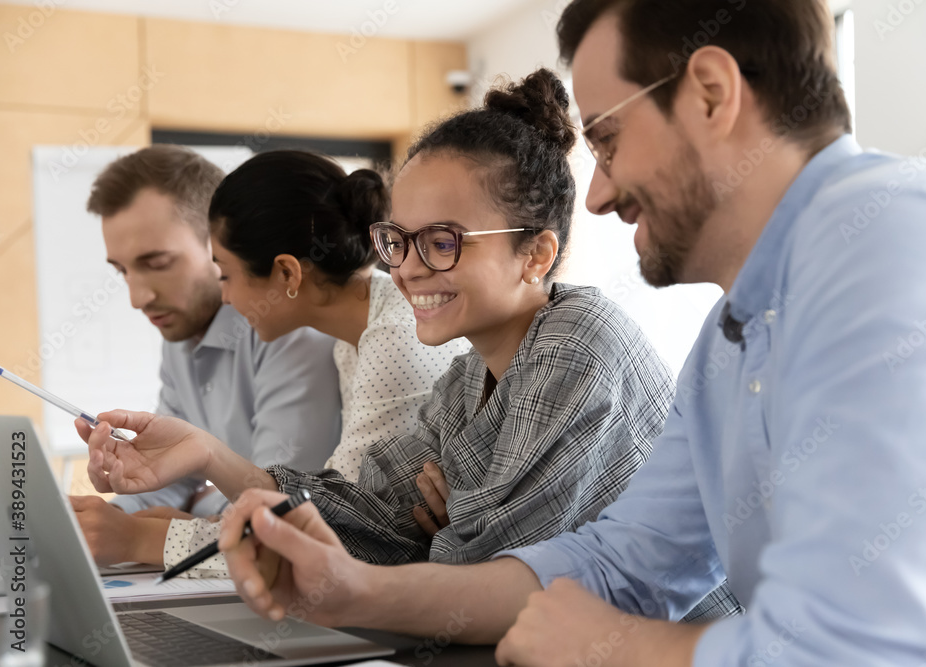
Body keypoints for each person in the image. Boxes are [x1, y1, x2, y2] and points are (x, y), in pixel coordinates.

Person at [208, 1, 926, 665]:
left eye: (609, 140)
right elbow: (622, 561)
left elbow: (867, 647)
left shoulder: (893, 236)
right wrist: (355, 588)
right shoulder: (730, 340)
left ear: (713, 94)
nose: (597, 194)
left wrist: (622, 645)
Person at [83, 70, 738, 619]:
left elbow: (498, 574)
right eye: (398, 240)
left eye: (443, 240)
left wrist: (443, 531)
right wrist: (202, 450)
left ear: (535, 253)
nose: (408, 268)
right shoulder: (461, 383)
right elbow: (369, 515)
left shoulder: (578, 342)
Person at [148, 149, 470, 576]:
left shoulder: (394, 338)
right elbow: (335, 504)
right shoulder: (352, 340)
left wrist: (148, 540)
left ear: (286, 274)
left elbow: (332, 528)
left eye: (226, 274)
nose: (224, 297)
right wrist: (197, 525)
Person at [71, 145, 343, 567]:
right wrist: (97, 521)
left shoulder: (291, 325)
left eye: (157, 262)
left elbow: (281, 506)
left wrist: (186, 511)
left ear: (219, 244)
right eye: (122, 270)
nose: (137, 297)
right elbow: (170, 480)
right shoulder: (179, 334)